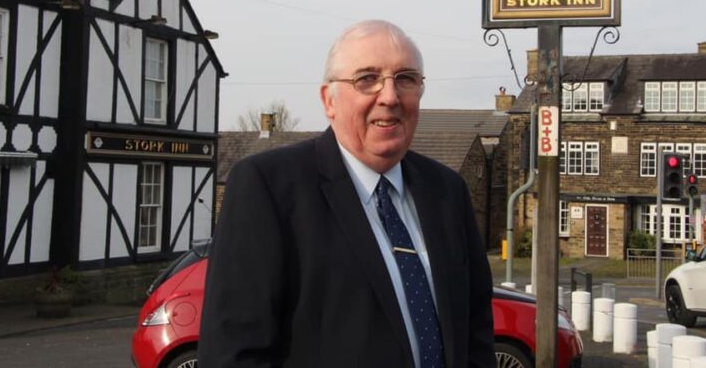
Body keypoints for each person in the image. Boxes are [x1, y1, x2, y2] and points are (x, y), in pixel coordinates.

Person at [199, 20, 495, 367]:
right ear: (329, 100)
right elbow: (233, 354)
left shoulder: (447, 191)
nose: (389, 96)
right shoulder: (268, 188)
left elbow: (475, 331)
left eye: (406, 79)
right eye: (367, 79)